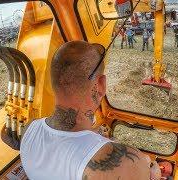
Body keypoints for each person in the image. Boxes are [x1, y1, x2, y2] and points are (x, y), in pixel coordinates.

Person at [20, 41, 161, 180]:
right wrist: (153, 176)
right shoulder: (127, 163)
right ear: (100, 85)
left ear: (54, 83)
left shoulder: (29, 130)